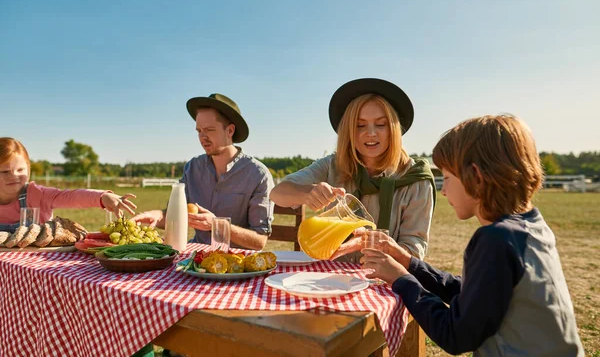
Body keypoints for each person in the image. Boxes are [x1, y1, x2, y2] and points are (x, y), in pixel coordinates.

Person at [362, 115, 584, 356]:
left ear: (475, 177)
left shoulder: (496, 240)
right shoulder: (530, 227)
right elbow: (478, 296)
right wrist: (409, 263)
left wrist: (401, 279)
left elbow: (455, 335)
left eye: (446, 178)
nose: (444, 191)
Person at [270, 78, 436, 261]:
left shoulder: (415, 178)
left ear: (394, 129)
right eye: (359, 125)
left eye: (381, 124)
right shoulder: (333, 164)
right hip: (333, 278)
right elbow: (278, 193)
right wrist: (307, 192)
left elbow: (413, 253)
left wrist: (367, 243)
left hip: (384, 283)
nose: (371, 133)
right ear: (347, 131)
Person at [132, 93, 274, 250]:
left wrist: (217, 225)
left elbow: (259, 241)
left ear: (230, 130)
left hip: (237, 264)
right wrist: (158, 215)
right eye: (199, 130)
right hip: (195, 258)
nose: (202, 137)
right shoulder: (192, 168)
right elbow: (175, 214)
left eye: (209, 130)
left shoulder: (258, 175)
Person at [0, 137, 137, 232]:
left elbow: (71, 196)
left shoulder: (37, 195)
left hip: (36, 264)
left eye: (20, 170)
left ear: (29, 170)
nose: (14, 176)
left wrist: (102, 197)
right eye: (5, 171)